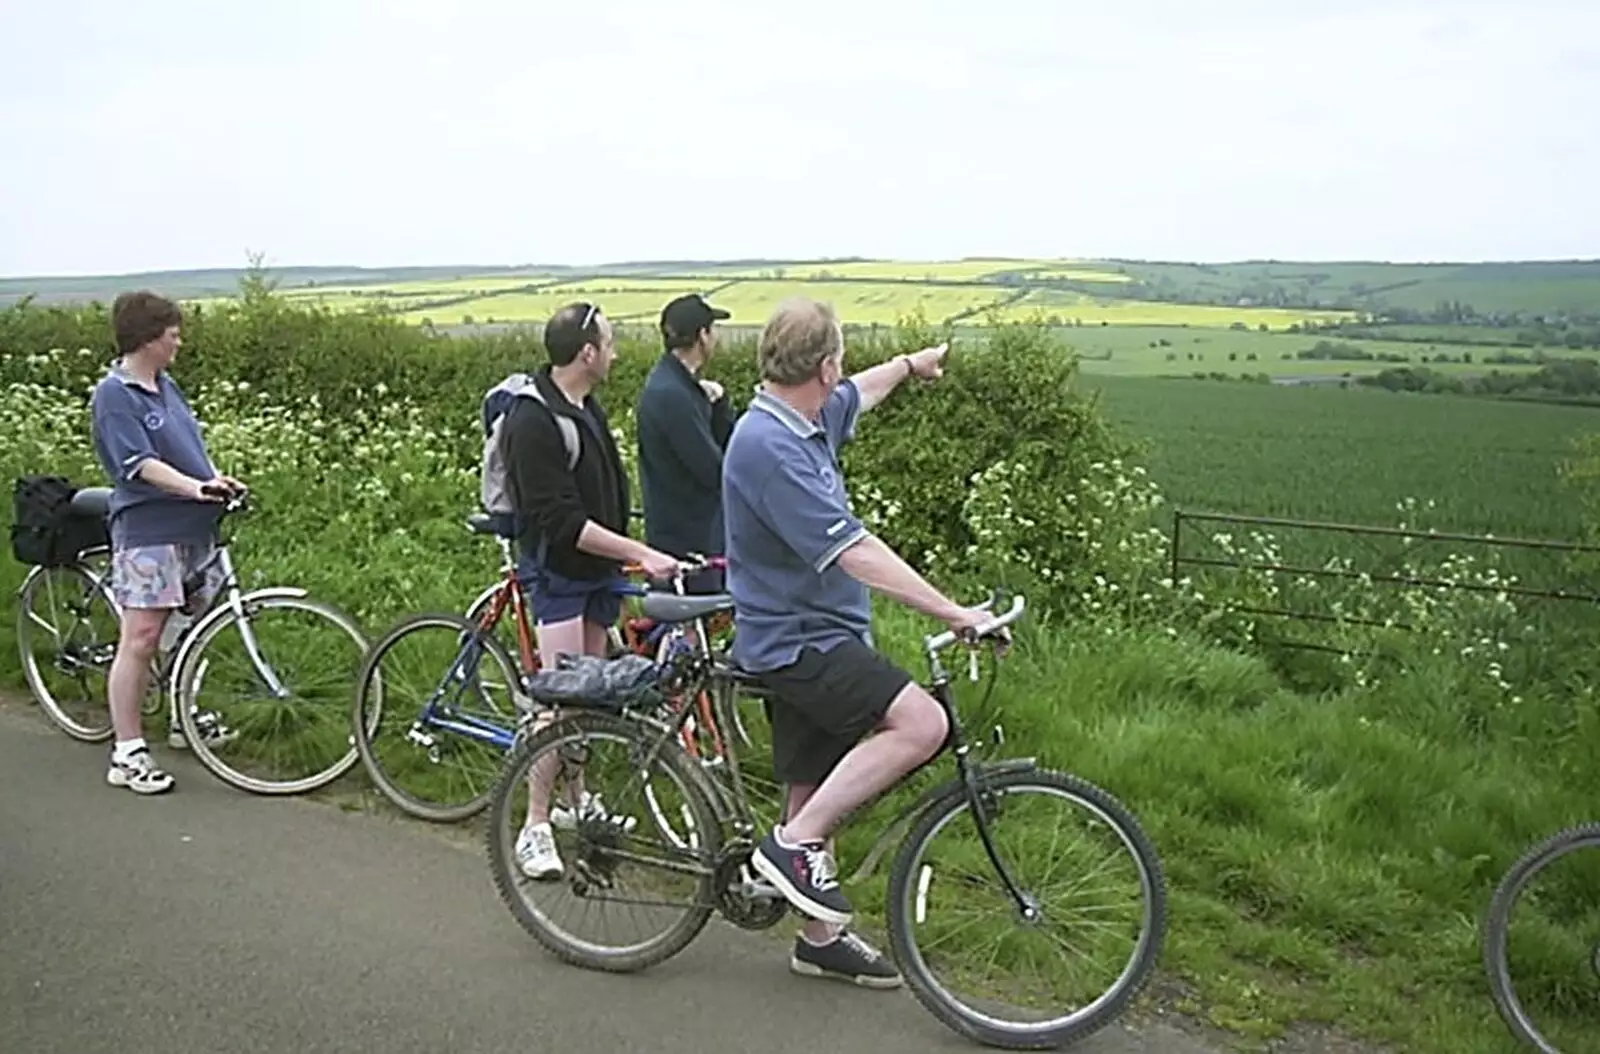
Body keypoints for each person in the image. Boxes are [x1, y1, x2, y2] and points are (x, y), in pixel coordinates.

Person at [721, 296, 990, 988]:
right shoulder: (770, 446)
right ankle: (789, 848)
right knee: (921, 721)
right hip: (798, 642)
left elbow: (858, 395)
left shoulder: (804, 414)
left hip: (816, 630)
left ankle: (819, 938)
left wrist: (907, 364)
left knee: (815, 786)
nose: (844, 380)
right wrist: (950, 609)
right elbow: (854, 552)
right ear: (824, 364)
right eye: (838, 365)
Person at [499, 301, 680, 879]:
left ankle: (576, 801)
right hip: (559, 577)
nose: (617, 352)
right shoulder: (534, 420)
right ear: (587, 353)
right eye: (610, 342)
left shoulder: (584, 405)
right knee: (558, 705)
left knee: (588, 697)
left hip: (595, 575)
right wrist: (640, 553)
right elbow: (561, 521)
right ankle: (533, 824)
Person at [89, 291, 246, 795]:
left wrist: (217, 479)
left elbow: (188, 451)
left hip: (195, 527)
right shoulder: (115, 395)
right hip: (150, 530)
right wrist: (195, 488)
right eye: (172, 332)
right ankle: (128, 752)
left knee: (192, 629)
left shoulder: (166, 386)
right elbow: (138, 464)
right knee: (141, 638)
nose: (179, 339)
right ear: (148, 337)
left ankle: (184, 717)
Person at [636, 293, 735, 595]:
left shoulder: (678, 386)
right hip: (686, 540)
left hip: (685, 533)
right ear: (702, 336)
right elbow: (713, 469)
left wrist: (716, 403)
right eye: (712, 330)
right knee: (685, 632)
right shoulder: (672, 395)